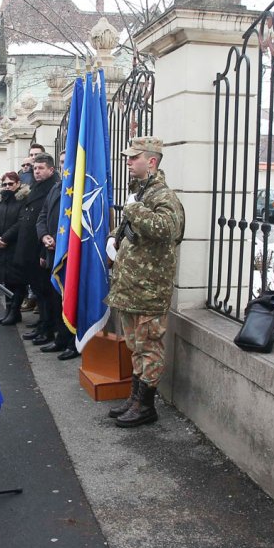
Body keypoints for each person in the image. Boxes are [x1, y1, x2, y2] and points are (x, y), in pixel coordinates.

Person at [105, 137, 185, 428]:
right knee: (136, 346)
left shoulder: (163, 195)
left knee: (149, 346)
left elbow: (166, 228)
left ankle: (146, 405)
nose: (128, 161)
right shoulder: (141, 193)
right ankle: (135, 398)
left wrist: (133, 209)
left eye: (133, 157)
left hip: (150, 289)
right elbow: (132, 227)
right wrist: (115, 236)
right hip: (132, 287)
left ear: (151, 161)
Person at [36, 151, 78, 360]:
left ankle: (73, 342)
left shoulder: (80, 189)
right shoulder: (56, 187)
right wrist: (45, 237)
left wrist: (57, 240)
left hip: (71, 255)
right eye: (62, 162)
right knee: (56, 297)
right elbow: (42, 216)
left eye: (67, 161)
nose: (64, 166)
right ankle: (61, 338)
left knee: (71, 298)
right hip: (53, 252)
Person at [19, 153, 58, 346]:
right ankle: (42, 324)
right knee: (38, 290)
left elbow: (51, 221)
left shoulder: (52, 188)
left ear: (51, 170)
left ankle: (48, 328)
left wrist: (44, 252)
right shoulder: (36, 187)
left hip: (42, 249)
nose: (36, 171)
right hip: (31, 246)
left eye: (41, 168)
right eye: (35, 168)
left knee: (46, 292)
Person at [0, 172, 29, 325]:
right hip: (1, 248)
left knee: (17, 280)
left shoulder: (23, 200)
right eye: (4, 184)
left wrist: (4, 238)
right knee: (6, 280)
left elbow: (21, 223)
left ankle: (15, 311)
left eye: (10, 184)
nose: (7, 187)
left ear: (18, 184)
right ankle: (8, 309)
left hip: (16, 247)